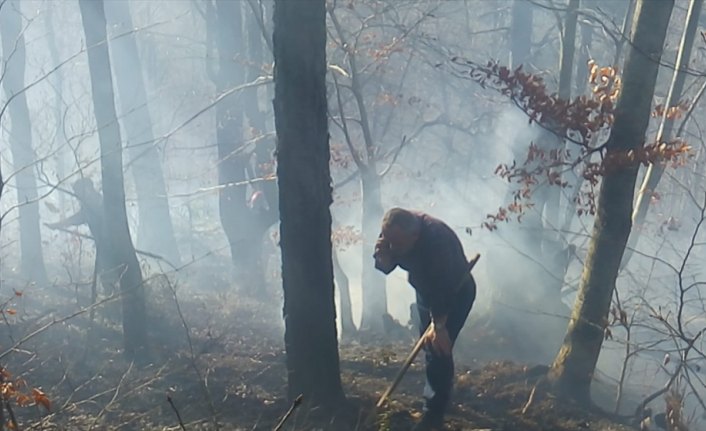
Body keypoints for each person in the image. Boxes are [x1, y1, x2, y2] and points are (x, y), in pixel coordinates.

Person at [373, 207, 476, 431]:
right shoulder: (393, 231)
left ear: (415, 237)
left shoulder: (437, 241)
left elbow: (443, 289)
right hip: (425, 290)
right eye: (387, 240)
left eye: (396, 244)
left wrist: (439, 326)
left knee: (437, 346)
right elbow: (386, 264)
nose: (392, 246)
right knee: (430, 346)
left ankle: (433, 414)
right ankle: (442, 393)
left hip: (455, 292)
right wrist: (383, 257)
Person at [46, 178, 114, 292]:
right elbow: (77, 218)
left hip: (111, 246)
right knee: (106, 274)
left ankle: (114, 301)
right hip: (102, 245)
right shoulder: (89, 206)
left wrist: (57, 225)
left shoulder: (101, 203)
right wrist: (57, 225)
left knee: (110, 274)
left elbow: (80, 218)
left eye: (79, 192)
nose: (78, 196)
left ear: (88, 189)